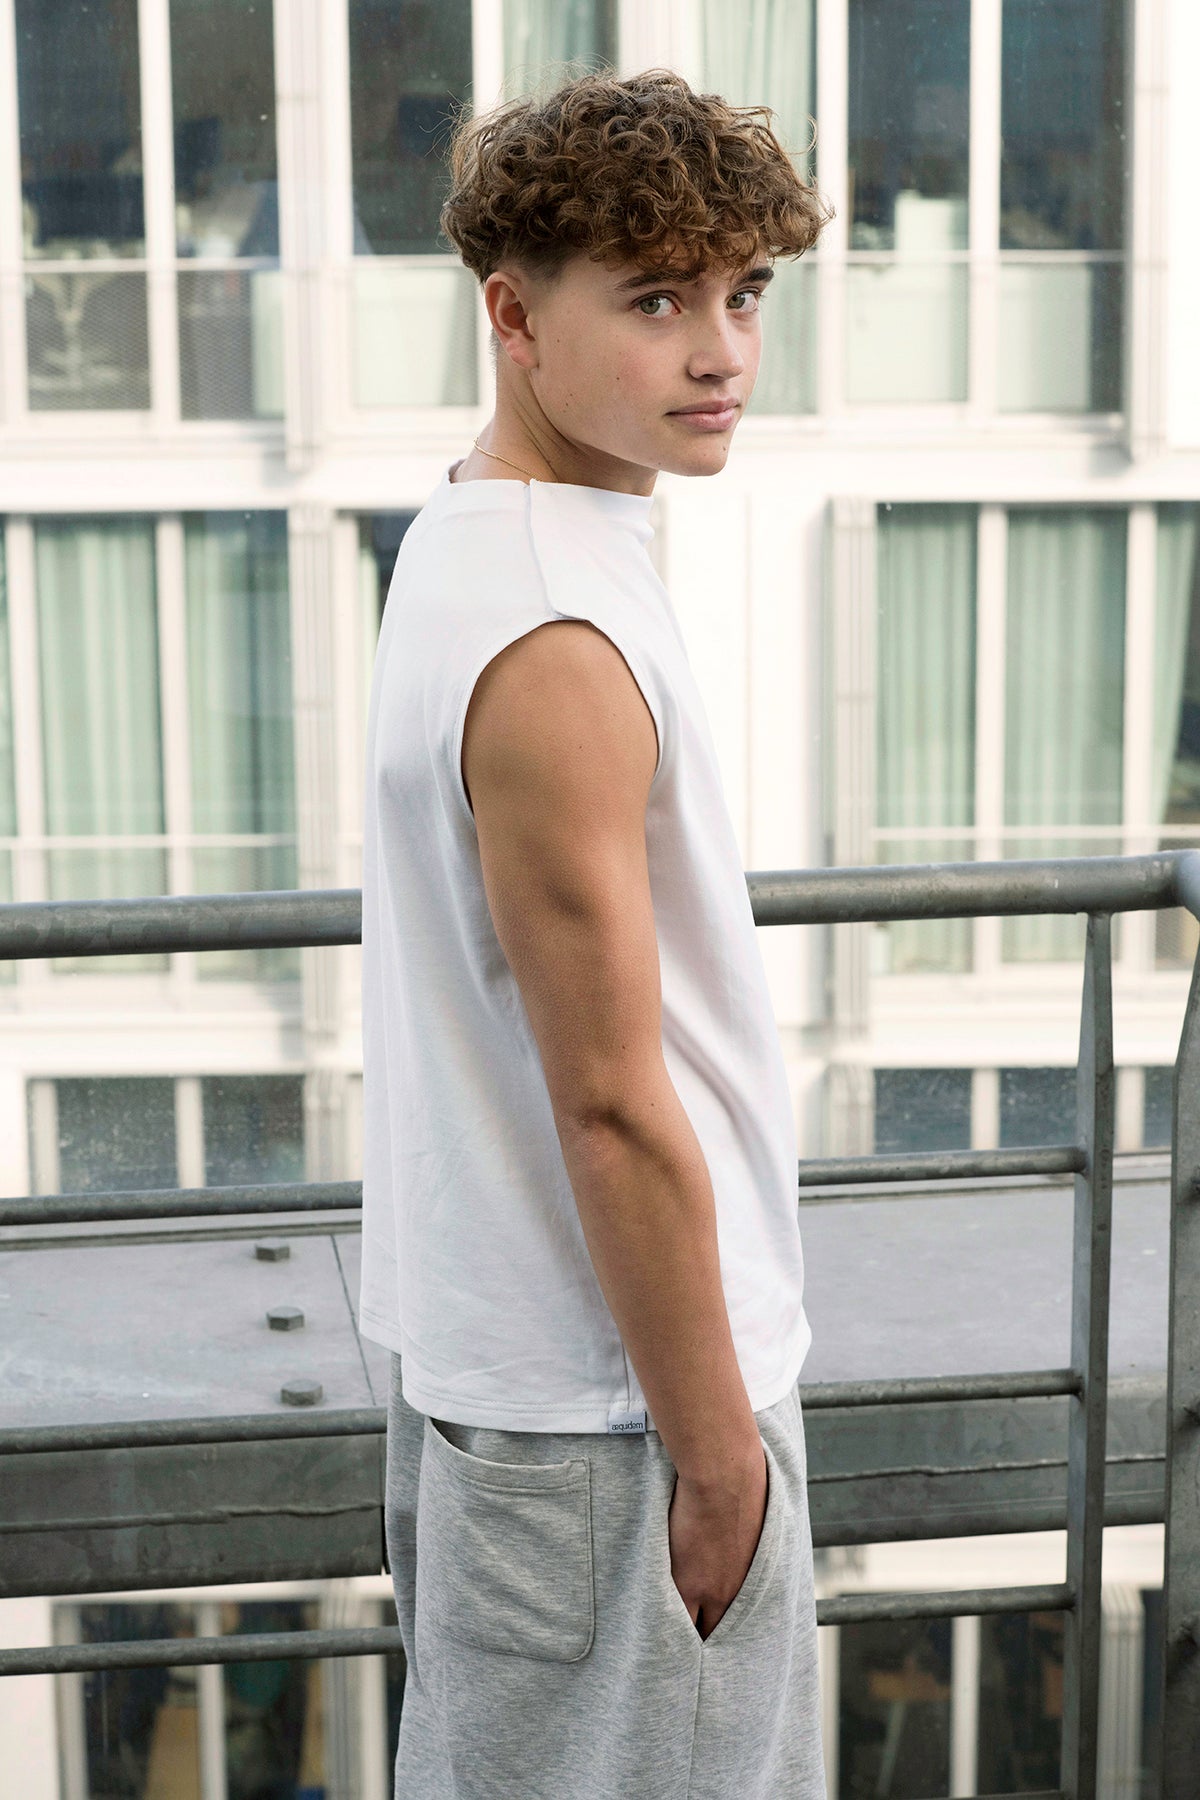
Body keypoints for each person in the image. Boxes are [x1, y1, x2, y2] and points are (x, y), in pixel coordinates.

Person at [358, 65, 835, 1800]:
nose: (720, 353)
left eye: (742, 294)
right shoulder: (556, 630)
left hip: (524, 1388)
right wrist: (717, 1459)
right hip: (613, 1420)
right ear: (513, 317)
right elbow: (612, 1101)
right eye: (653, 301)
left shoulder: (483, 532)